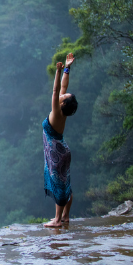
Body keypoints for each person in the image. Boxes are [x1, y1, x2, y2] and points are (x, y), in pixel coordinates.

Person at [43, 53, 78, 228]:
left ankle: (57, 220)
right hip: (62, 149)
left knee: (59, 184)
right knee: (66, 182)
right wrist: (67, 67)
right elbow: (63, 87)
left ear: (63, 104)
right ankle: (65, 217)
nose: (63, 95)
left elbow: (56, 89)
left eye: (65, 97)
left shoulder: (56, 111)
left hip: (57, 152)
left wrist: (57, 72)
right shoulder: (62, 110)